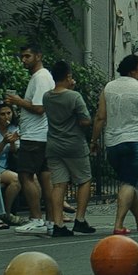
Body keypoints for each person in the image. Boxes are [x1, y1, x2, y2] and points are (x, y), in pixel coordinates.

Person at [89, 53, 138, 235]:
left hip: (113, 143)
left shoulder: (108, 88)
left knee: (127, 181)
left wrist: (94, 140)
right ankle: (118, 224)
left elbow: (100, 116)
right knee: (129, 183)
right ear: (133, 70)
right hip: (135, 141)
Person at [4, 43, 55, 236]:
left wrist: (17, 101)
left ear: (38, 56)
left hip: (35, 137)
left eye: (27, 56)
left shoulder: (41, 77)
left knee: (26, 176)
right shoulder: (41, 77)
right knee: (44, 178)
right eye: (22, 57)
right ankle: (51, 220)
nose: (24, 60)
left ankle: (36, 218)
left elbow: (39, 107)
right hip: (41, 135)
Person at [42, 61, 96, 237]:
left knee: (58, 184)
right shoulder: (74, 97)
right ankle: (79, 220)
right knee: (84, 180)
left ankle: (58, 223)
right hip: (74, 145)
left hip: (53, 145)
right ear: (68, 76)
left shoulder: (46, 97)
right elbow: (86, 120)